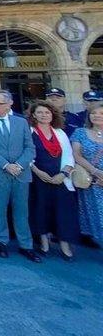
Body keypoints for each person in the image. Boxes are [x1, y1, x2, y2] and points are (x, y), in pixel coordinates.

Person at [0, 90, 41, 262]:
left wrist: (19, 165)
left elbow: (30, 147)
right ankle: (1, 241)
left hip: (21, 172)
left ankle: (26, 245)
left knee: (22, 210)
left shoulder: (21, 122)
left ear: (9, 104)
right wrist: (6, 165)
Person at [27, 100, 79, 260]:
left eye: (47, 112)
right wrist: (38, 172)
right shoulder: (29, 131)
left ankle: (65, 246)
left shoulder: (60, 133)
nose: (44, 115)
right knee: (40, 210)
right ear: (34, 115)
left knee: (63, 212)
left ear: (52, 115)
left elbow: (69, 156)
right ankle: (44, 243)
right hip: (38, 177)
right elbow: (27, 154)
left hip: (59, 178)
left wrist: (63, 174)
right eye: (40, 112)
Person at [71, 102, 103, 245]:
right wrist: (96, 172)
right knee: (98, 218)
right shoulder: (80, 133)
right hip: (92, 181)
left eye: (101, 113)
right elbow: (76, 155)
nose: (97, 116)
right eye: (93, 113)